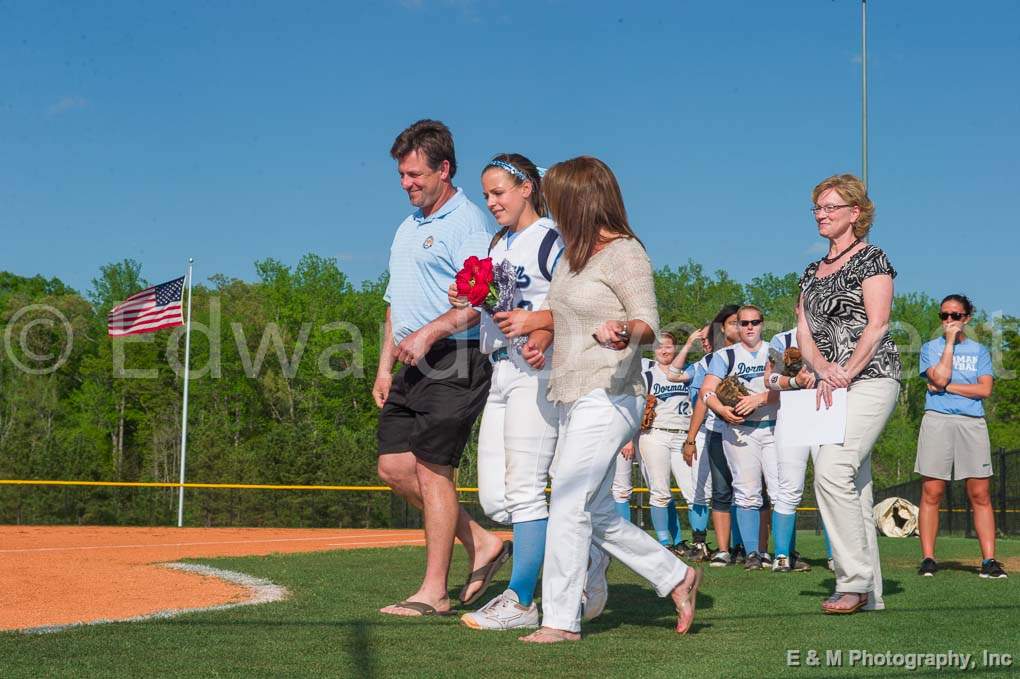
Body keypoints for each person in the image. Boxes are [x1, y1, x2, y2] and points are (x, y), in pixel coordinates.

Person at [503, 156, 700, 643]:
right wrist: (544, 335)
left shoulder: (625, 252)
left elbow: (648, 322)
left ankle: (561, 620)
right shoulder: (573, 256)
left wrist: (621, 332)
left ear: (581, 199)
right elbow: (564, 312)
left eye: (556, 197)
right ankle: (675, 575)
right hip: (571, 392)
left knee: (568, 502)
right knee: (594, 510)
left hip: (612, 393)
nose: (550, 206)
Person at [449, 153, 594, 631]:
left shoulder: (550, 237)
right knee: (496, 500)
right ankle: (583, 557)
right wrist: (468, 299)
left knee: (527, 491)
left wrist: (546, 331)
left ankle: (521, 599)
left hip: (536, 371)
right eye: (487, 194)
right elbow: (498, 305)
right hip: (499, 370)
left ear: (528, 187)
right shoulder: (499, 242)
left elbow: (580, 300)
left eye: (500, 192)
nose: (492, 201)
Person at [374, 120, 508, 617]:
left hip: (456, 357)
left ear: (444, 169)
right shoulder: (407, 228)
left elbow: (481, 301)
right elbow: (394, 303)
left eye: (415, 174)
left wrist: (429, 333)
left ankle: (435, 591)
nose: (407, 183)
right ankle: (482, 542)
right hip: (409, 364)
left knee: (434, 470)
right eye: (402, 175)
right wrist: (383, 368)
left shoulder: (468, 223)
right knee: (393, 467)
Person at [797, 173, 901, 614]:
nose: (821, 214)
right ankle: (869, 592)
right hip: (830, 386)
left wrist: (846, 372)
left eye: (830, 207)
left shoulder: (872, 259)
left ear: (855, 213)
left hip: (873, 378)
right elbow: (803, 331)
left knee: (832, 469)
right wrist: (822, 369)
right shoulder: (810, 271)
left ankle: (852, 580)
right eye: (817, 208)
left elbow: (877, 325)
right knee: (852, 484)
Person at [916, 294, 1006, 579]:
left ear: (967, 318)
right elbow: (938, 377)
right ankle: (929, 558)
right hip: (937, 421)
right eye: (944, 315)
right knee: (933, 491)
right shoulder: (931, 348)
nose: (949, 321)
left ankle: (989, 560)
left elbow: (984, 390)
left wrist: (946, 388)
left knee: (979, 493)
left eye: (956, 315)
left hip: (971, 423)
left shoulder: (980, 351)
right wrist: (950, 346)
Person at [698, 305, 779, 571]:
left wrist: (758, 398)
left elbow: (792, 386)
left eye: (755, 322)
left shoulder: (774, 350)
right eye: (744, 323)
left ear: (762, 324)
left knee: (779, 492)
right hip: (739, 430)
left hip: (773, 426)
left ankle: (781, 553)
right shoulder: (725, 356)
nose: (749, 327)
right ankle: (753, 553)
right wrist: (721, 409)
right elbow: (707, 391)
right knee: (746, 493)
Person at [677, 306, 746, 566]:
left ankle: (748, 548)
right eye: (733, 323)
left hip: (755, 429)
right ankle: (719, 546)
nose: (740, 327)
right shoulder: (710, 361)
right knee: (718, 490)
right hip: (716, 428)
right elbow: (701, 402)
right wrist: (691, 438)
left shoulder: (759, 354)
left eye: (743, 322)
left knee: (749, 491)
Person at [765, 304, 821, 573]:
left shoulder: (836, 333)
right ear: (796, 309)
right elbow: (770, 379)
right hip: (794, 414)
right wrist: (795, 382)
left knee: (831, 487)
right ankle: (782, 555)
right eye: (804, 305)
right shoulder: (781, 339)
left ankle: (838, 556)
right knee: (789, 488)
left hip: (828, 413)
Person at [632, 331, 699, 550]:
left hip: (683, 435)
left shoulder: (689, 370)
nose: (664, 350)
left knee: (693, 490)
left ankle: (699, 543)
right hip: (655, 435)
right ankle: (665, 543)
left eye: (668, 346)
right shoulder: (647, 374)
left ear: (675, 348)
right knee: (660, 491)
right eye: (659, 347)